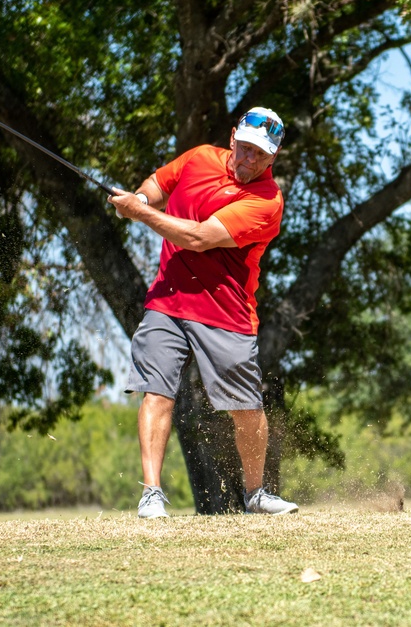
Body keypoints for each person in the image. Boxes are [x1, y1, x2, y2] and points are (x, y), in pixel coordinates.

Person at [107, 108, 299, 518]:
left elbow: (198, 238)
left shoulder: (267, 202)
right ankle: (151, 493)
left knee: (245, 407)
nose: (248, 160)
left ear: (273, 157)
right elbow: (160, 183)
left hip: (225, 312)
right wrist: (140, 198)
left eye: (259, 155)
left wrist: (138, 213)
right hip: (168, 299)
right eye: (244, 149)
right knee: (157, 391)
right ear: (233, 138)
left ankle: (255, 494)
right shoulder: (199, 158)